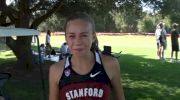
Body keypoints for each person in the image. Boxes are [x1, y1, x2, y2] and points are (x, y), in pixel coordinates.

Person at [49, 12, 125, 100]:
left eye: (84, 35)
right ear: (66, 38)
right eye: (72, 36)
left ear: (93, 37)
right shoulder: (56, 70)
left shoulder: (110, 64)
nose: (78, 42)